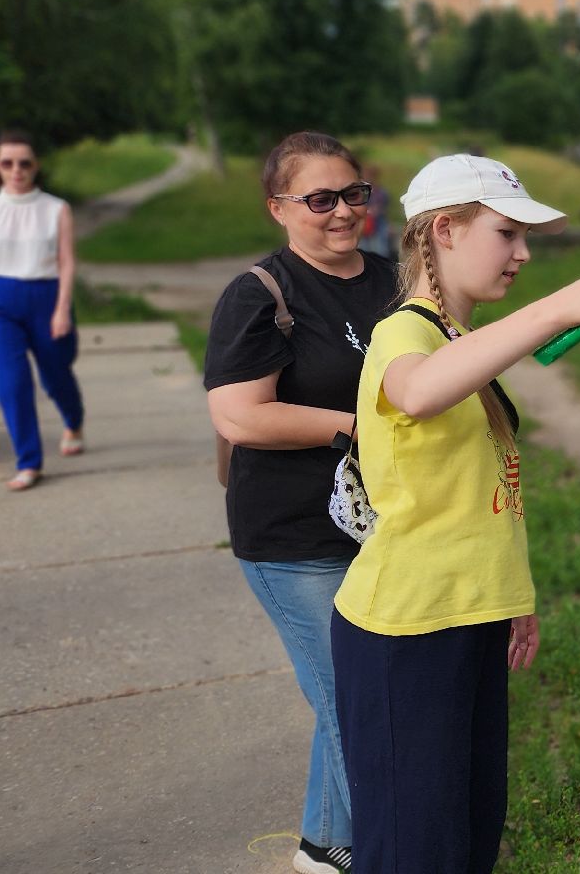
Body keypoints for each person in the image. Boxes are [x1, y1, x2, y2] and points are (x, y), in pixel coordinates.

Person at [330, 153, 580, 874]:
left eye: (525, 238)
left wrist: (513, 598)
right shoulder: (405, 333)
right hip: (407, 628)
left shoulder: (459, 339)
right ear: (445, 230)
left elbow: (481, 489)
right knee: (415, 850)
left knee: (469, 835)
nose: (523, 254)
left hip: (470, 613)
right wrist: (559, 308)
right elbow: (419, 392)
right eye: (507, 233)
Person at [204, 132, 396, 874]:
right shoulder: (260, 294)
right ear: (278, 208)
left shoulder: (394, 280)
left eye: (353, 194)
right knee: (353, 699)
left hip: (381, 526)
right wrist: (357, 427)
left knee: (353, 691)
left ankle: (324, 843)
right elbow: (240, 417)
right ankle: (385, 850)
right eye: (320, 199)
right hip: (293, 538)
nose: (342, 211)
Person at [0, 129, 85, 491]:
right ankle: (29, 461)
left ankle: (73, 421)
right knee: (12, 382)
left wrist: (61, 309)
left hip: (46, 296)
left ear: (35, 165)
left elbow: (66, 261)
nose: (16, 170)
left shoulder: (56, 209)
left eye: (24, 163)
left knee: (56, 374)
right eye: (7, 163)